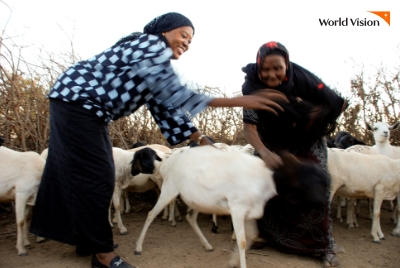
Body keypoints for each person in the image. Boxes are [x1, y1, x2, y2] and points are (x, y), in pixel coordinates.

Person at [30, 13, 287, 268]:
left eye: (190, 41)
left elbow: (167, 107)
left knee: (80, 172)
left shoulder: (153, 63)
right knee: (98, 174)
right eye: (183, 35)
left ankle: (87, 241)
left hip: (81, 106)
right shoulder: (150, 45)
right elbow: (177, 93)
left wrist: (203, 140)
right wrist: (239, 101)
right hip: (78, 102)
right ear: (164, 31)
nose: (187, 43)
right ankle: (103, 257)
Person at [241, 41, 347, 267]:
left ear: (287, 65)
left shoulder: (305, 82)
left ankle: (324, 246)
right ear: (258, 68)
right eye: (265, 69)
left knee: (315, 184)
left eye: (277, 68)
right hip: (273, 142)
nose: (271, 74)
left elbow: (336, 104)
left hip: (307, 139)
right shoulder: (251, 87)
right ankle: (268, 237)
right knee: (268, 187)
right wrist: (264, 152)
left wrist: (309, 115)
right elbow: (249, 128)